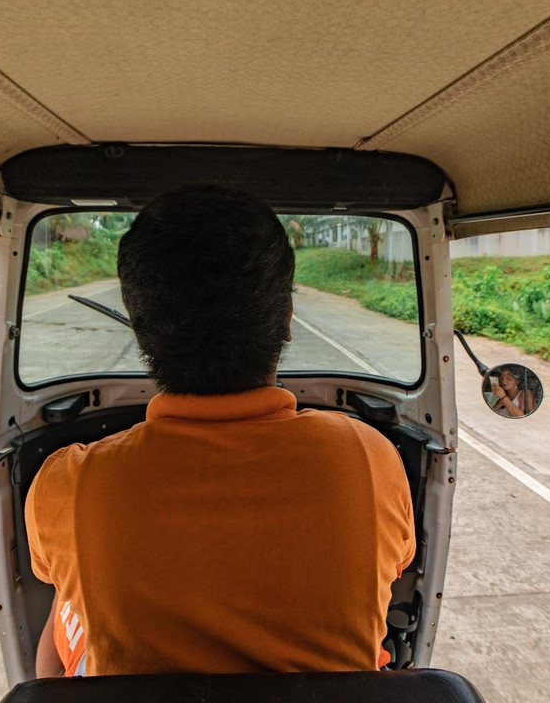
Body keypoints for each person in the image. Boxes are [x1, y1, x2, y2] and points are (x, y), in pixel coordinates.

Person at [25, 185, 415, 676]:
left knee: (67, 600)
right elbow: (395, 572)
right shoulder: (370, 458)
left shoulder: (67, 484)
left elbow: (55, 587)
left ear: (141, 330)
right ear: (287, 320)